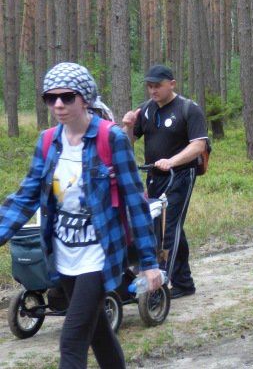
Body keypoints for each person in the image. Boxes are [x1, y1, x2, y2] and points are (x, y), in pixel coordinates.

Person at [1, 63, 161, 369]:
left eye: (67, 96)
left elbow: (135, 201)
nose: (58, 104)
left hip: (99, 254)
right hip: (63, 254)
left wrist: (149, 262)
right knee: (98, 331)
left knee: (72, 340)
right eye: (51, 98)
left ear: (85, 98)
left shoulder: (111, 139)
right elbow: (25, 197)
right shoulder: (48, 141)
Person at [122, 64, 209, 298]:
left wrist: (172, 161)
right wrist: (128, 127)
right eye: (149, 86)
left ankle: (161, 285)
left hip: (180, 175)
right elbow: (127, 143)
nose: (153, 91)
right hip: (154, 176)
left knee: (168, 227)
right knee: (158, 226)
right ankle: (184, 282)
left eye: (157, 86)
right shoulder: (145, 110)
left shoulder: (188, 109)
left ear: (171, 84)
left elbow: (198, 145)